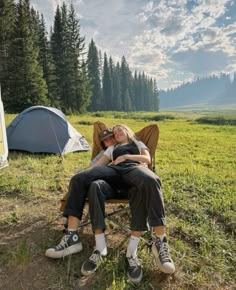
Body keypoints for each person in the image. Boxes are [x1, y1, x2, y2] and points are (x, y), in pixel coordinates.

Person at [80, 124, 175, 283]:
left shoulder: (137, 144)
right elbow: (95, 167)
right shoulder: (111, 149)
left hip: (133, 182)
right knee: (95, 185)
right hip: (113, 184)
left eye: (120, 130)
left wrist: (127, 158)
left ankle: (144, 247)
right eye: (114, 132)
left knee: (148, 183)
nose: (116, 133)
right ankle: (99, 247)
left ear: (127, 131)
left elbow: (147, 159)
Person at [45, 128, 120, 258]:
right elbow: (90, 169)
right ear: (103, 144)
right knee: (80, 181)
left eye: (111, 137)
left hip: (114, 185)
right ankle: (71, 234)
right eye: (106, 141)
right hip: (96, 184)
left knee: (78, 181)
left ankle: (71, 235)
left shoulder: (122, 148)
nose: (110, 141)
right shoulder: (104, 153)